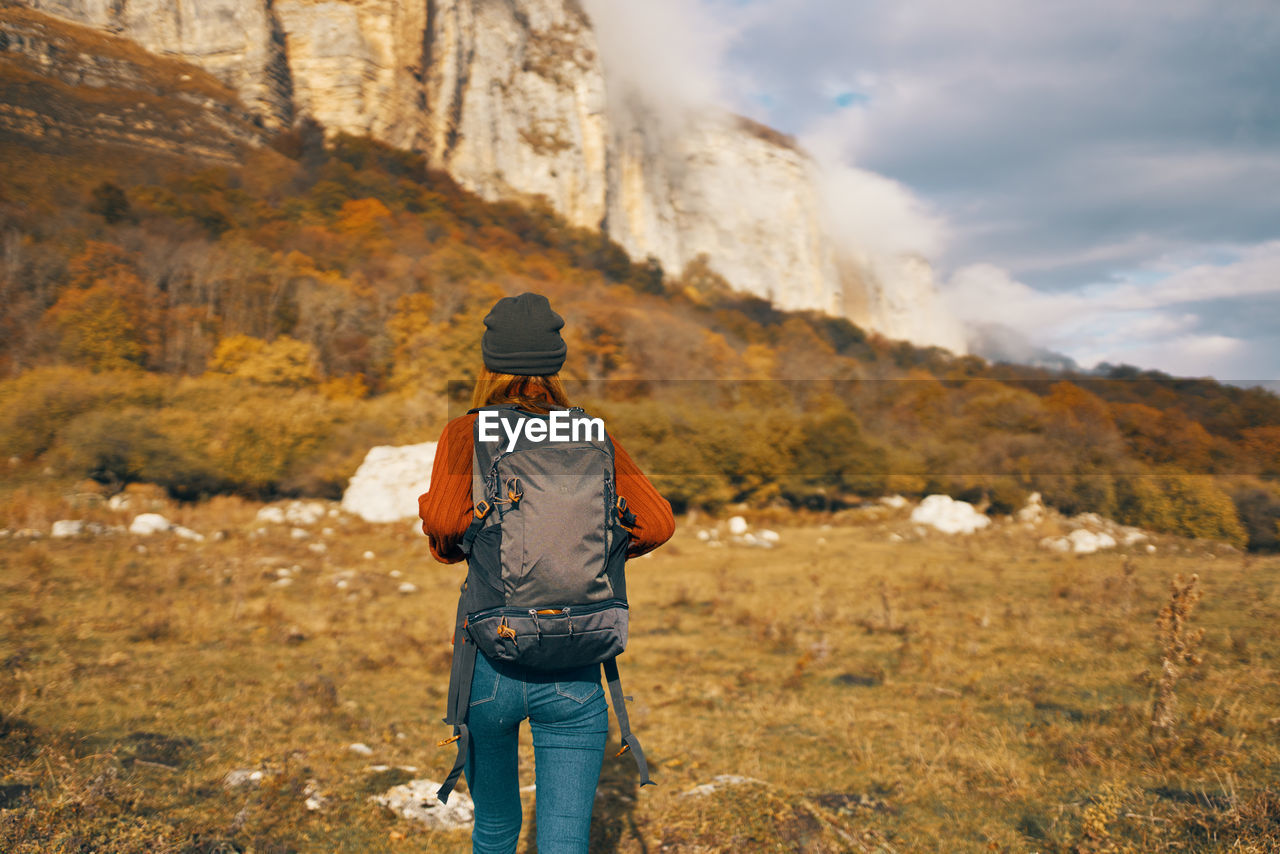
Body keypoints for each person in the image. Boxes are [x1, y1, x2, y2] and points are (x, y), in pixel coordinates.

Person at [419, 292, 674, 853]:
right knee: (564, 841)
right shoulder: (590, 434)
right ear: (555, 366)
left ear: (489, 364)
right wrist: (591, 551)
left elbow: (442, 521)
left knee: (494, 830)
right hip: (576, 663)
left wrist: (471, 546)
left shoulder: (468, 433)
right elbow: (656, 523)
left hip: (491, 659)